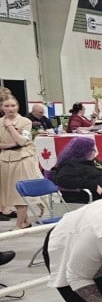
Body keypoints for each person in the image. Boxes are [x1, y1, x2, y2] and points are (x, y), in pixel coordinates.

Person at [1, 95, 45, 229]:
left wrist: (10, 128)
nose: (10, 109)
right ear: (2, 107)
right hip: (5, 159)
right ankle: (25, 221)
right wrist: (11, 145)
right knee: (9, 192)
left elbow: (22, 141)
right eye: (7, 106)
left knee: (20, 194)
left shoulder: (26, 122)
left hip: (22, 159)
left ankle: (19, 224)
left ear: (18, 106)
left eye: (13, 106)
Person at [52, 137, 102, 201]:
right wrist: (94, 186)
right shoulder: (70, 165)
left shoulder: (92, 160)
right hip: (88, 196)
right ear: (83, 152)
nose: (94, 152)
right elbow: (63, 180)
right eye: (92, 150)